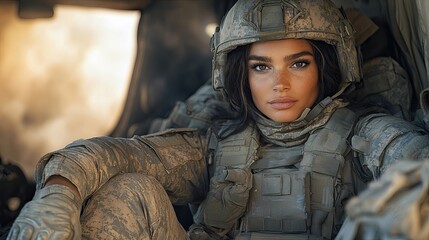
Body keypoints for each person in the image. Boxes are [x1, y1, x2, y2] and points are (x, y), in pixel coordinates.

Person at [6, 0, 429, 239]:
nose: (280, 83)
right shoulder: (218, 144)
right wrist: (58, 193)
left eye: (298, 64)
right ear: (241, 77)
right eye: (261, 67)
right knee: (128, 190)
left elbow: (416, 161)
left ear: (326, 67)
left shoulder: (366, 134)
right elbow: (119, 155)